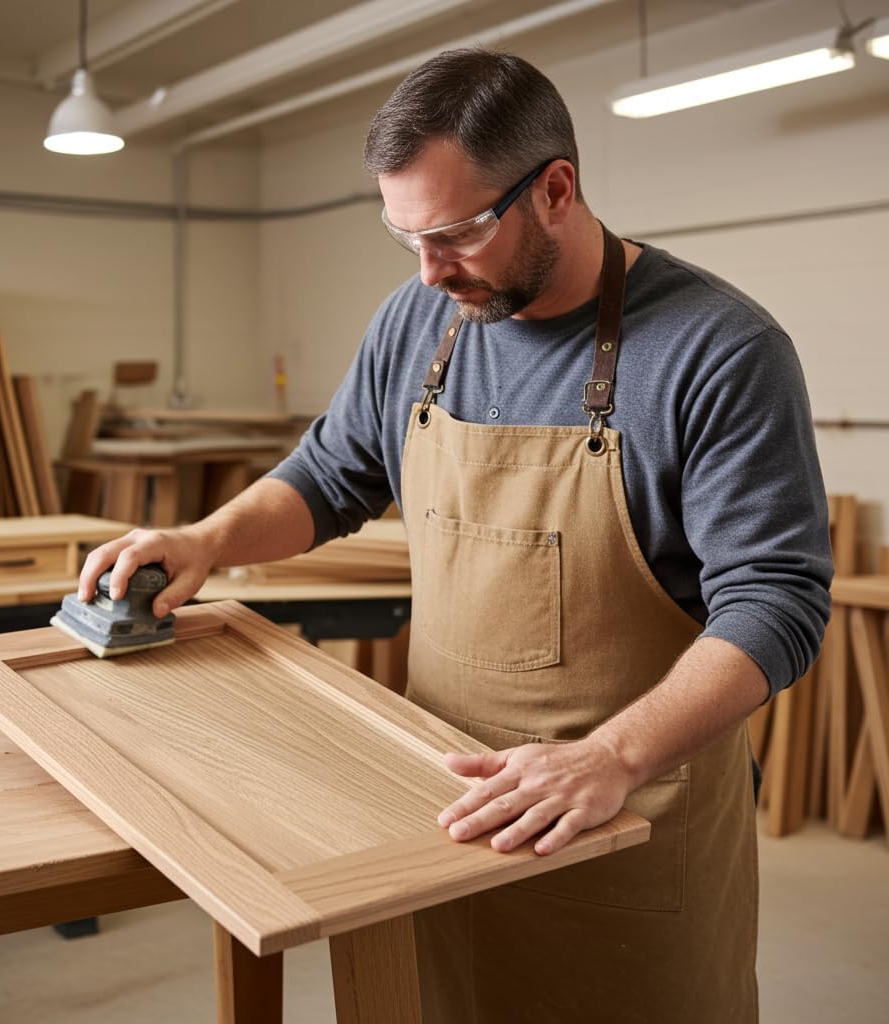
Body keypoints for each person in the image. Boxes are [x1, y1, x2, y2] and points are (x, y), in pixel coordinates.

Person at [79, 49, 832, 1023]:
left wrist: (611, 755)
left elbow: (776, 602)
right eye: (406, 238)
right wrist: (207, 539)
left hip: (622, 817)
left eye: (456, 234)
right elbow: (330, 475)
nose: (431, 271)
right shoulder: (417, 320)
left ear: (554, 190)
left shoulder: (718, 350)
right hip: (443, 808)